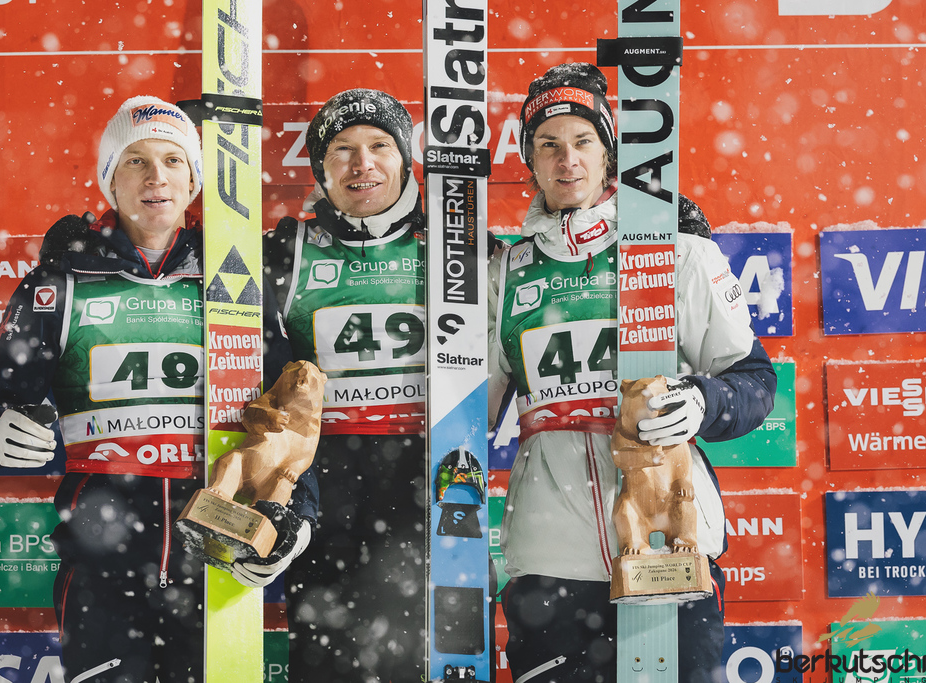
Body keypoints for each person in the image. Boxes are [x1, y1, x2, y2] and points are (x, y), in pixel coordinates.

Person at [0, 95, 315, 683]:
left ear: (194, 179)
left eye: (173, 161)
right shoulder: (61, 281)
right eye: (136, 161)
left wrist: (296, 517)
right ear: (110, 178)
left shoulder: (237, 278)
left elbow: (288, 416)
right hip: (102, 563)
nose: (157, 177)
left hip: (216, 550)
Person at [488, 63, 778, 683]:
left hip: (672, 547)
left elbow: (754, 380)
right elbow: (468, 412)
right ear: (529, 160)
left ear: (609, 153)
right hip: (550, 563)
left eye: (583, 141)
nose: (567, 160)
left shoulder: (677, 252)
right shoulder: (502, 274)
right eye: (548, 144)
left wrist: (703, 401)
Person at [263, 88, 428, 682]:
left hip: (425, 508)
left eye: (380, 145)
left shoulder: (456, 249)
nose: (363, 164)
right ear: (319, 167)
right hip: (322, 513)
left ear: (405, 158)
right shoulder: (283, 254)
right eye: (343, 149)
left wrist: (673, 237)